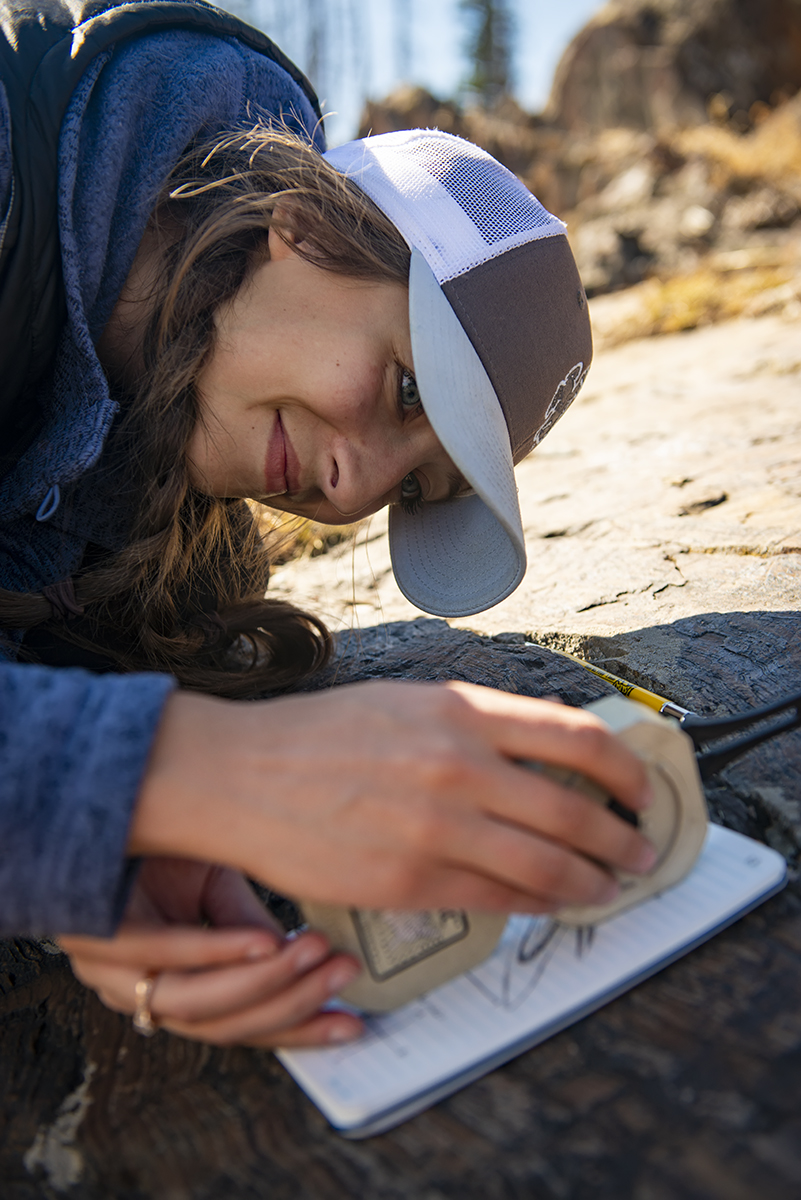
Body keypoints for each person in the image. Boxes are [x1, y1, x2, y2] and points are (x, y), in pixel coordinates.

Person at [0, 0, 656, 1048]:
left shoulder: (158, 539)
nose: (352, 493)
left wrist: (95, 863)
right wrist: (178, 773)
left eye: (411, 489)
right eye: (406, 389)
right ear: (302, 224)